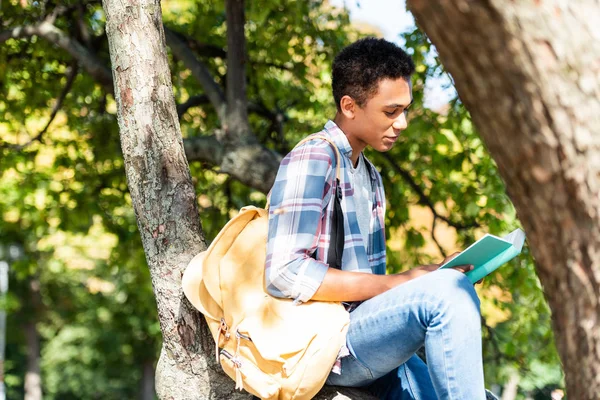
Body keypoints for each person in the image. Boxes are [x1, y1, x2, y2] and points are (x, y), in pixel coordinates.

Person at [265, 37, 487, 400]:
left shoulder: (370, 176)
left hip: (364, 335)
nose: (401, 123)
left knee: (447, 291)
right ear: (349, 106)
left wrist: (423, 277)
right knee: (447, 293)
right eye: (390, 111)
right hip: (323, 344)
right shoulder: (314, 157)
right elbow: (283, 273)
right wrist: (401, 283)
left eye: (405, 110)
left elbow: (374, 289)